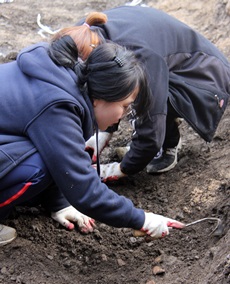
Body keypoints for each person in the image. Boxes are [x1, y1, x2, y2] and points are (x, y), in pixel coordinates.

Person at [0, 30, 184, 245]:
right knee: (37, 166)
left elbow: (57, 153)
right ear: (101, 98)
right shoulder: (58, 106)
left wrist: (58, 202)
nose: (124, 115)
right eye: (124, 106)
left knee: (46, 156)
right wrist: (141, 219)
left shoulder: (62, 80)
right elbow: (84, 189)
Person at [73, 5, 230, 180]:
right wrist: (102, 133)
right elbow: (106, 89)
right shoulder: (84, 35)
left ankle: (169, 145)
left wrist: (122, 168)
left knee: (145, 98)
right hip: (167, 59)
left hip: (205, 75)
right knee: (132, 91)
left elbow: (150, 130)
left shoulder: (139, 59)